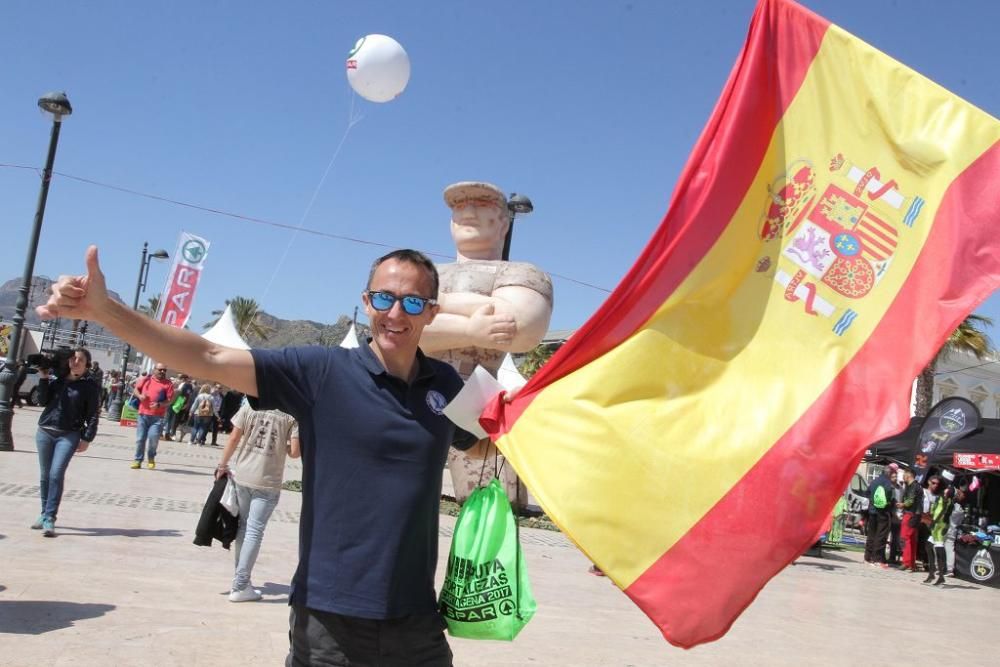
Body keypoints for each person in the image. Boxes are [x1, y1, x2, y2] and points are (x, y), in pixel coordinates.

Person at [38, 246, 483, 666]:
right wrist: (105, 310)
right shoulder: (323, 372)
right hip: (330, 617)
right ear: (367, 302)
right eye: (384, 298)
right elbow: (208, 355)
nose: (394, 313)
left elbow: (486, 440)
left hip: (418, 619)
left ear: (431, 312)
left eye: (411, 302)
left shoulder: (444, 385)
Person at [419, 181, 553, 508]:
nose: (467, 211)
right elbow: (401, 329)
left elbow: (519, 326)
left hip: (482, 411)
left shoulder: (522, 272)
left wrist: (437, 304)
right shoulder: (425, 272)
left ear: (503, 223)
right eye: (459, 207)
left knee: (487, 511)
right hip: (415, 402)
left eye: (480, 204)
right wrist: (473, 327)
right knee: (396, 503)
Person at [215, 404, 300, 601]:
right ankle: (241, 584)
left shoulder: (249, 406)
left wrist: (222, 464)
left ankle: (241, 581)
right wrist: (281, 444)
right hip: (268, 481)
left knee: (244, 528)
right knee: (254, 531)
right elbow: (295, 452)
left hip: (244, 475)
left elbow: (234, 437)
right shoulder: (292, 413)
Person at [31, 347, 100, 537]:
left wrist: (87, 437)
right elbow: (43, 401)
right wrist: (44, 378)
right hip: (45, 431)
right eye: (73, 359)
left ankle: (50, 517)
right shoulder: (59, 380)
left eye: (80, 360)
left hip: (68, 435)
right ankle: (44, 514)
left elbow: (93, 414)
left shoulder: (90, 386)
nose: (75, 362)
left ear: (86, 365)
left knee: (56, 474)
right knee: (45, 475)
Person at [130, 362, 174, 469]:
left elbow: (170, 400)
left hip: (157, 417)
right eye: (160, 370)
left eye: (164, 370)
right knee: (140, 439)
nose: (162, 372)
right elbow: (135, 389)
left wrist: (159, 404)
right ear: (154, 370)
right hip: (143, 414)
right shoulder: (146, 379)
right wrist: (140, 396)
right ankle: (138, 460)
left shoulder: (168, 384)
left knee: (153, 438)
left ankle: (151, 458)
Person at [923, 477, 954, 586]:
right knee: (928, 545)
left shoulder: (947, 501)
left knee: (939, 550)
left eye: (948, 490)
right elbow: (936, 509)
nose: (946, 490)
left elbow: (942, 513)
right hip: (936, 525)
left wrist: (933, 522)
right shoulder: (941, 497)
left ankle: (941, 575)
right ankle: (932, 573)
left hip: (940, 526)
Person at [864, 464, 896, 568]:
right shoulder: (887, 483)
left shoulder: (874, 481)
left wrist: (873, 501)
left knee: (871, 534)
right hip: (882, 512)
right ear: (889, 473)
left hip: (872, 511)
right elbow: (889, 496)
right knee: (881, 535)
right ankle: (877, 559)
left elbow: (867, 492)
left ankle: (867, 558)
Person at [898, 467, 924, 573]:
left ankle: (907, 563)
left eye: (904, 474)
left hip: (910, 514)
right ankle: (911, 564)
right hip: (916, 515)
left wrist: (902, 505)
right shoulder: (918, 486)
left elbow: (910, 500)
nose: (903, 476)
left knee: (905, 538)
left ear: (909, 475)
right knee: (912, 540)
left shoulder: (913, 486)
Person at [163, 373, 193, 441]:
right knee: (169, 419)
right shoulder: (184, 385)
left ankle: (167, 433)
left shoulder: (181, 384)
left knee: (169, 419)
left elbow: (186, 395)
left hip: (175, 402)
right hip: (176, 403)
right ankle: (166, 433)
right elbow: (187, 396)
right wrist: (186, 404)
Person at [944, 486, 967, 575]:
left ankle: (939, 567)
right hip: (952, 530)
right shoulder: (959, 509)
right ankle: (949, 569)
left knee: (938, 546)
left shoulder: (945, 504)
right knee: (949, 549)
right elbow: (960, 521)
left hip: (944, 529)